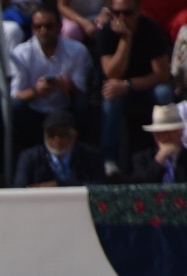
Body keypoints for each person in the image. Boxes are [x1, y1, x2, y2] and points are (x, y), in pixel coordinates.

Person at [95, 0, 174, 177]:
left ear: (139, 10)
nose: (121, 18)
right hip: (120, 92)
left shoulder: (150, 29)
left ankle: (170, 153)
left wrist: (128, 85)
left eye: (127, 13)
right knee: (110, 99)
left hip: (147, 89)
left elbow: (162, 75)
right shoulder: (107, 32)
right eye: (116, 13)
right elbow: (112, 73)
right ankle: (109, 161)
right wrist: (126, 39)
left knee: (164, 93)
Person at [10, 4, 94, 140]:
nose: (43, 31)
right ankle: (37, 148)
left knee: (82, 104)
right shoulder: (21, 54)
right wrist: (36, 92)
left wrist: (69, 87)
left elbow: (82, 91)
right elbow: (16, 96)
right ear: (32, 29)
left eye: (49, 26)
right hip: (35, 113)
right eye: (38, 27)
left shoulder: (77, 51)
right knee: (16, 108)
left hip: (65, 111)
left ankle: (78, 147)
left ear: (60, 27)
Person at [15, 109, 106, 186]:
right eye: (51, 134)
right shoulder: (29, 157)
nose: (57, 139)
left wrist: (59, 185)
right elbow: (20, 188)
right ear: (44, 136)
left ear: (74, 135)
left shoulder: (91, 156)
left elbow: (99, 188)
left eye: (63, 134)